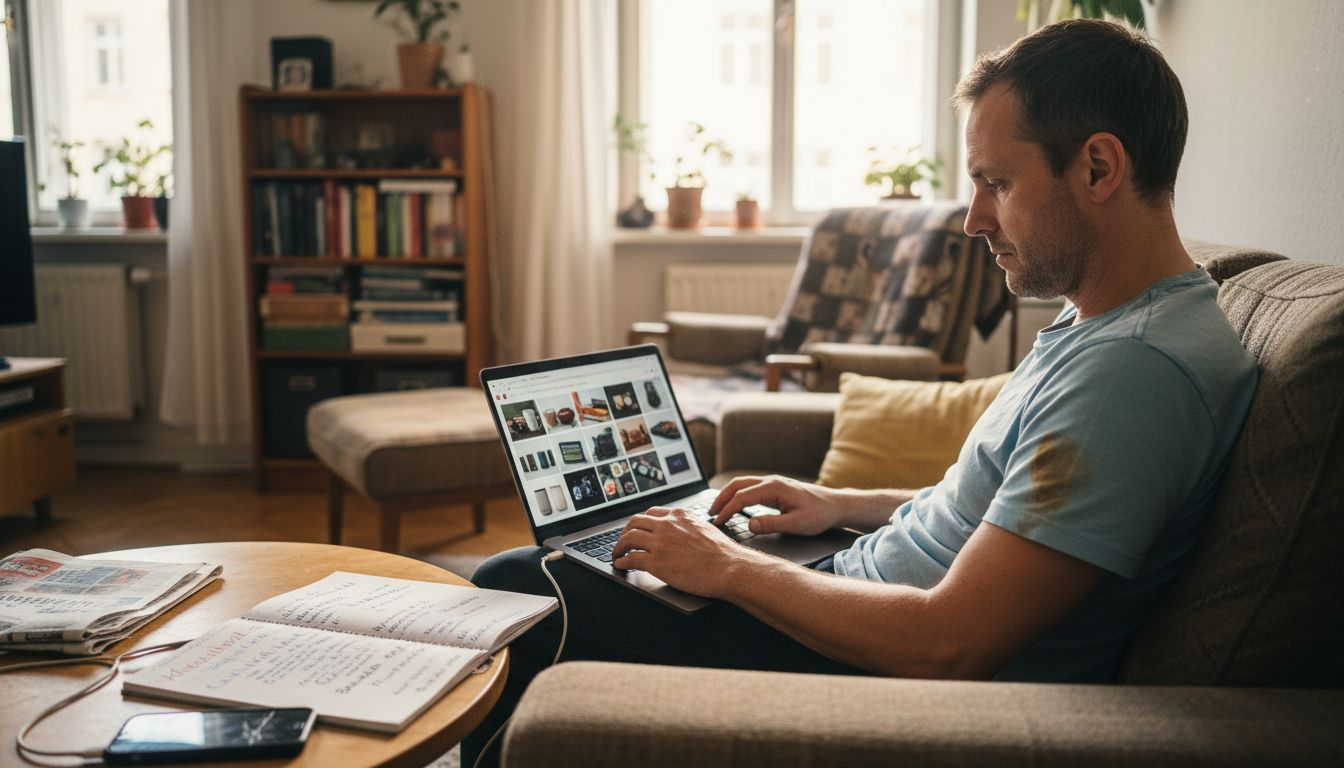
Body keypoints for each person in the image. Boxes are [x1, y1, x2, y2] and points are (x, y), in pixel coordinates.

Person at [464, 18, 1258, 766]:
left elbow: (945, 645)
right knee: (562, 564)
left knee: (510, 590)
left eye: (996, 183)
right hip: (854, 588)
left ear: (1098, 167)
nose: (977, 218)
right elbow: (1010, 508)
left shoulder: (1134, 373)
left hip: (871, 667)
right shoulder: (1115, 325)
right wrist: (843, 504)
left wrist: (731, 570)